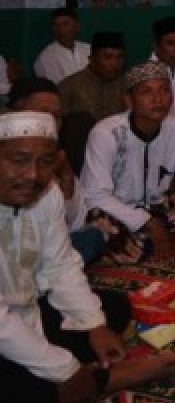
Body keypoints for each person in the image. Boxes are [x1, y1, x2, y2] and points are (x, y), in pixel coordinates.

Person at [0, 111, 175, 403]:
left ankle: (66, 379)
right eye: (18, 160)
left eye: (46, 162)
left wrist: (94, 325)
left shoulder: (47, 194)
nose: (33, 174)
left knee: (112, 306)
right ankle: (107, 379)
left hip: (26, 311)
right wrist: (65, 369)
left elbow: (60, 265)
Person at [80, 61, 175, 263]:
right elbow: (94, 195)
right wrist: (146, 222)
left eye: (164, 90)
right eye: (147, 92)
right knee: (100, 225)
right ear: (129, 100)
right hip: (119, 211)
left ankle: (151, 241)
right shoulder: (106, 133)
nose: (158, 99)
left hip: (158, 207)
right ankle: (149, 241)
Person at [6, 78, 106, 265]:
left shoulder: (55, 157)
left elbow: (74, 225)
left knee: (93, 237)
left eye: (57, 116)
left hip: (45, 251)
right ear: (14, 114)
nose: (51, 122)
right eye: (42, 113)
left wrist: (66, 177)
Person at [58, 32, 125, 123]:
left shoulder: (127, 86)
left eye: (119, 57)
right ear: (92, 59)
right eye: (107, 57)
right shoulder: (68, 87)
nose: (114, 63)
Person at [32, 7, 90, 85]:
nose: (60, 29)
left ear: (77, 27)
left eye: (65, 24)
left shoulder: (89, 49)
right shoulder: (45, 58)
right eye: (56, 25)